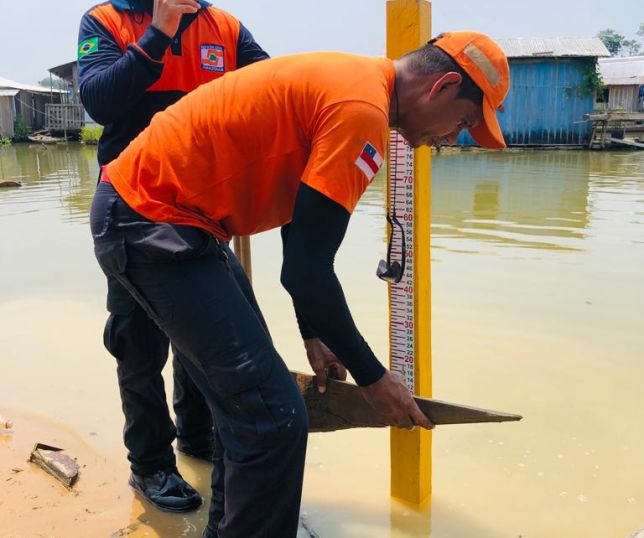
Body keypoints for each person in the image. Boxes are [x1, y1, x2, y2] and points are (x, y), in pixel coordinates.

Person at [90, 31, 509, 537]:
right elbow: (308, 272)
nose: (451, 139)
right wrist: (374, 378)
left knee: (248, 408)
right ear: (442, 87)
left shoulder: (355, 85)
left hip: (171, 217)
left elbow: (300, 225)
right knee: (273, 417)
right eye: (462, 123)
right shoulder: (362, 111)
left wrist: (314, 333)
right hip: (152, 218)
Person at [78, 0, 269, 513]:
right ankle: (150, 465)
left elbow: (270, 90)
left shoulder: (224, 27)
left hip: (203, 209)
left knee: (203, 336)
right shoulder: (107, 20)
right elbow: (99, 101)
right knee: (138, 345)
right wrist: (159, 32)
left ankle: (197, 437)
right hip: (131, 208)